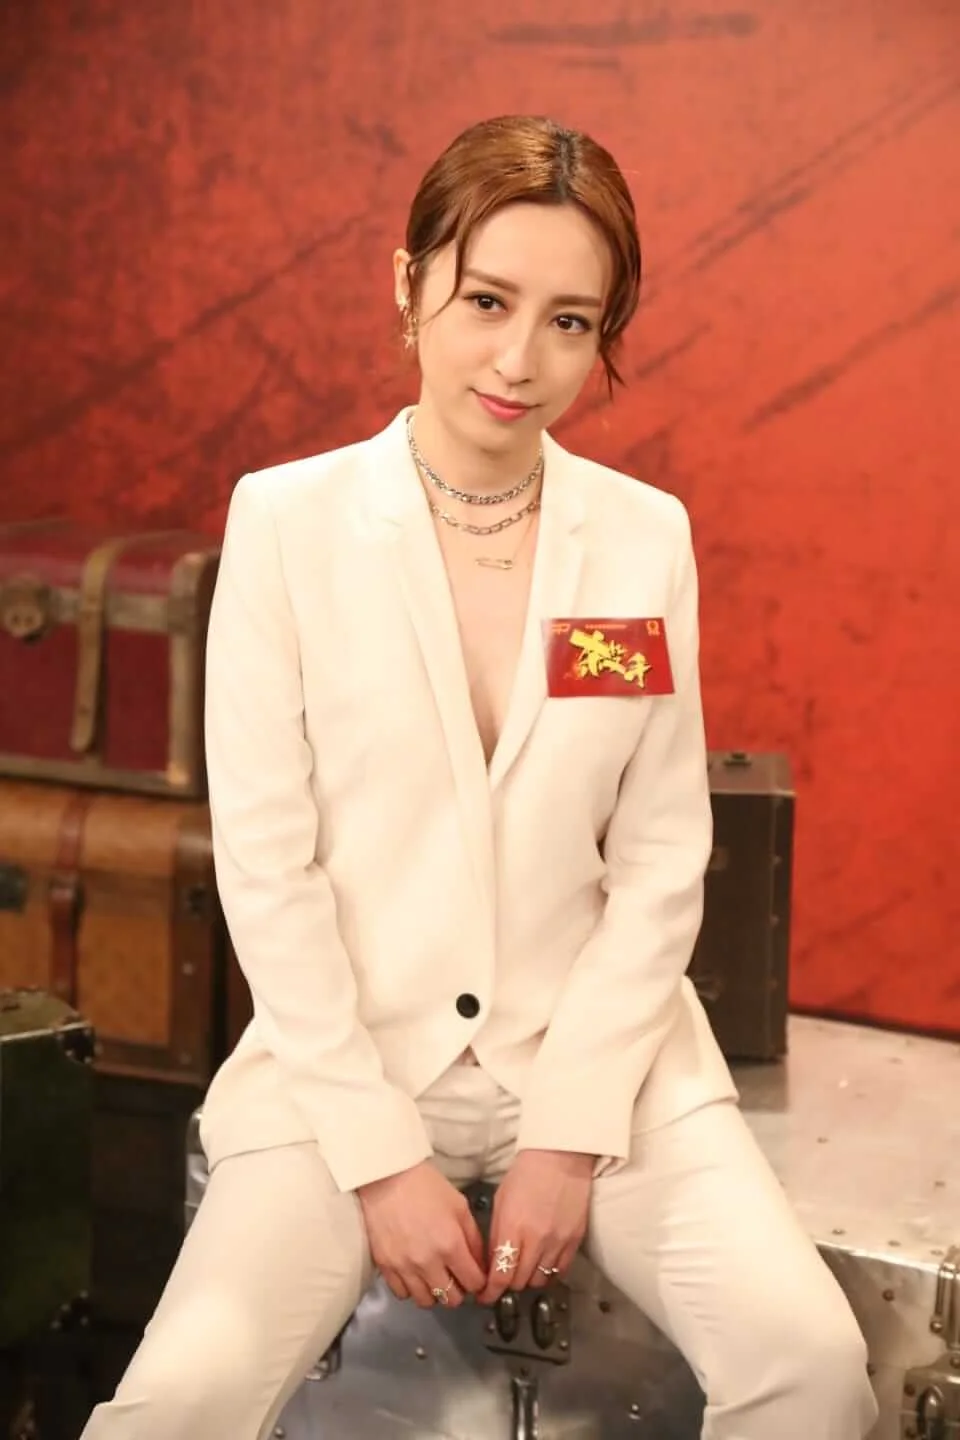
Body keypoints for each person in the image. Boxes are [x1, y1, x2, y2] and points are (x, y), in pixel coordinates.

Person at [81, 114, 879, 1440]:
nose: (520, 362)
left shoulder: (642, 540)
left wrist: (569, 1133)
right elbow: (267, 867)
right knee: (178, 1402)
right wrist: (378, 1158)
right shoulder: (288, 523)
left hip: (603, 1062)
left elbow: (661, 855)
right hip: (347, 1063)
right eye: (487, 302)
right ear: (408, 285)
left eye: (570, 323)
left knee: (813, 1367)